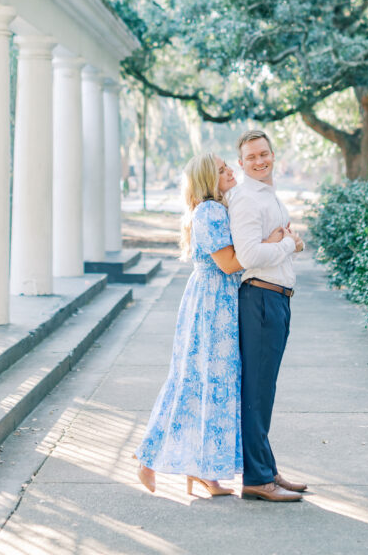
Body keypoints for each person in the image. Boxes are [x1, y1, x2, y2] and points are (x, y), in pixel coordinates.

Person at [134, 152, 288, 497]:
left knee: (211, 386)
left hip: (220, 303)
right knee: (193, 382)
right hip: (212, 306)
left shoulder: (217, 209)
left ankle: (203, 472)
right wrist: (273, 243)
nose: (230, 171)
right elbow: (230, 263)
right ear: (208, 179)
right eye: (222, 170)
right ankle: (146, 458)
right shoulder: (210, 212)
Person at [229, 128, 307, 502]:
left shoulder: (269, 196)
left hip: (277, 299)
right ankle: (256, 478)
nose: (259, 161)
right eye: (251, 157)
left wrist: (287, 243)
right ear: (241, 163)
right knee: (257, 391)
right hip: (259, 299)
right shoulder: (246, 199)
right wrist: (289, 244)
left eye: (264, 154)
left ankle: (267, 468)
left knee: (265, 389)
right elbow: (248, 257)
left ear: (273, 154)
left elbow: (273, 245)